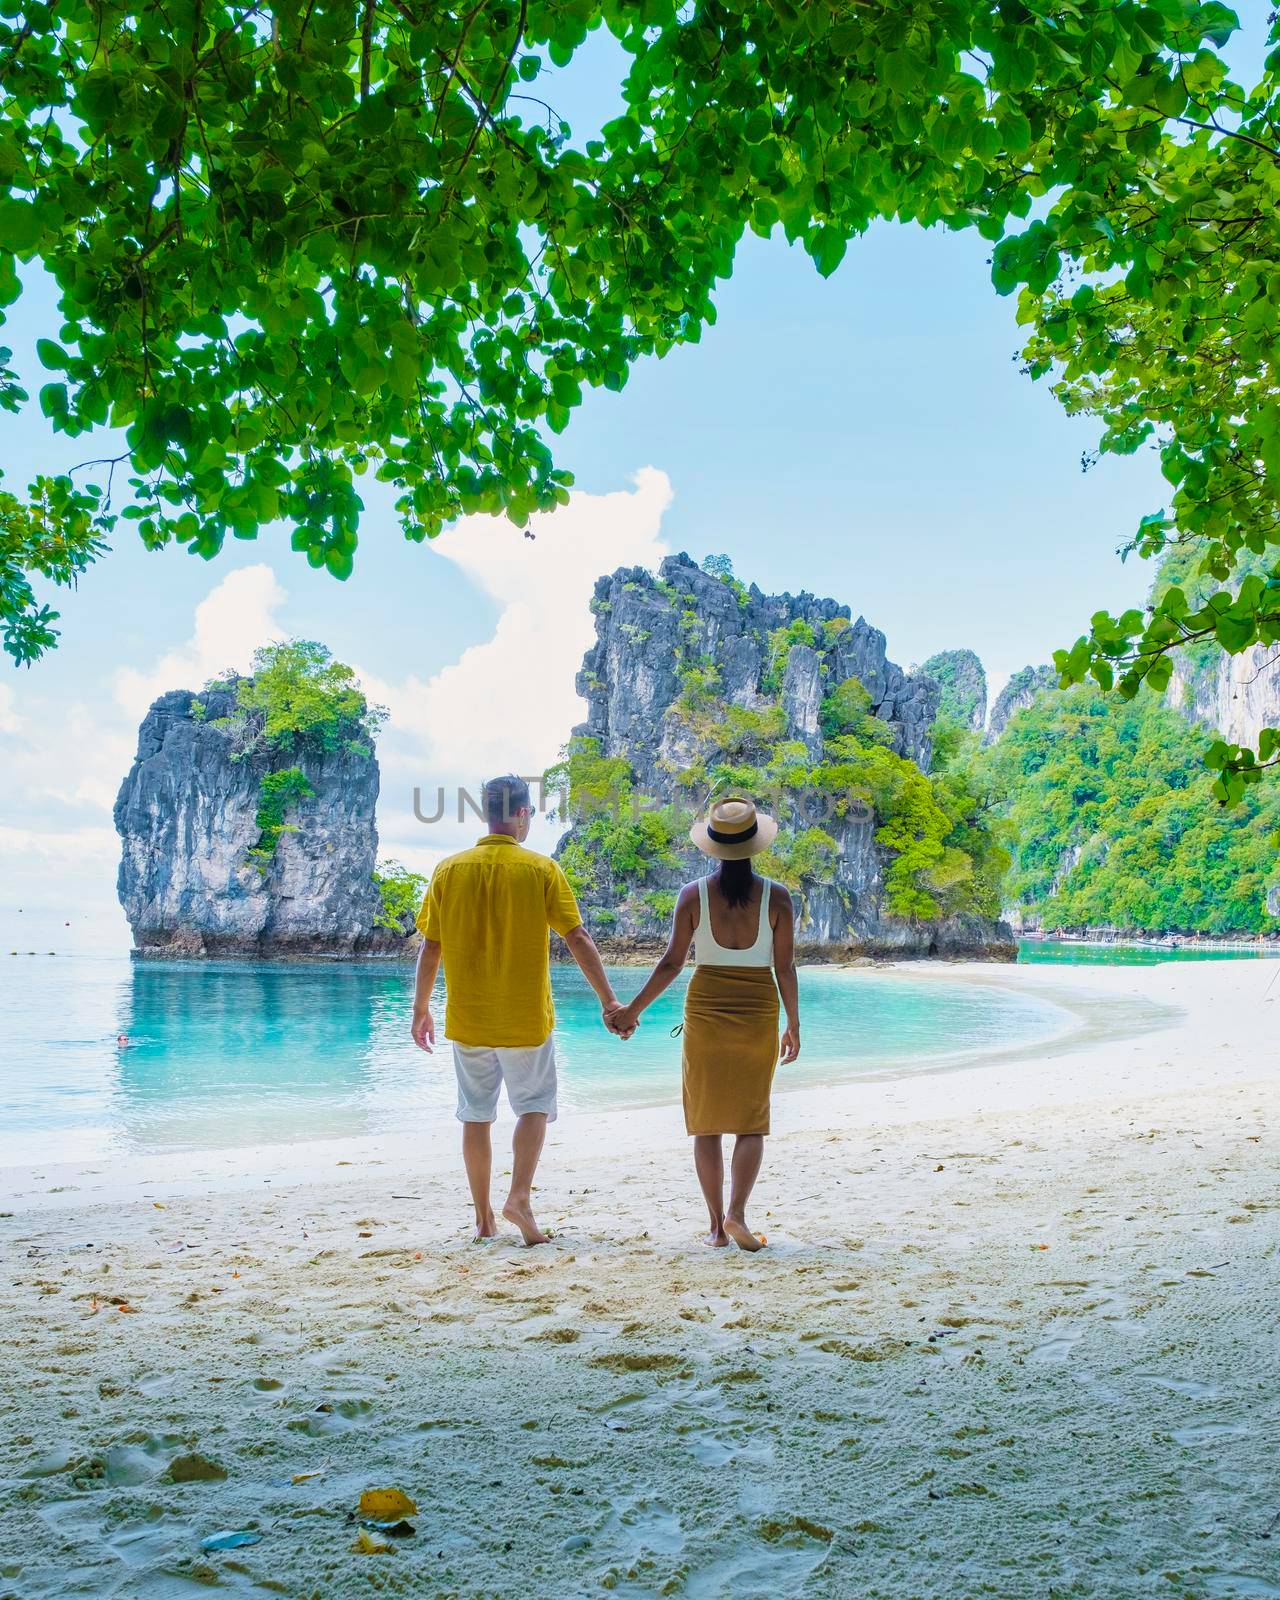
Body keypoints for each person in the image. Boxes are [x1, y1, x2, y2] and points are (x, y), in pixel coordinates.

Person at [410, 774, 625, 1245]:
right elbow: (577, 937)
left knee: (475, 1116)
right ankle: (519, 1198)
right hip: (526, 1019)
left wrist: (420, 1009)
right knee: (534, 1108)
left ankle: (484, 1220)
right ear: (522, 815)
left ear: (486, 813)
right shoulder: (541, 870)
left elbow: (431, 947)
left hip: (469, 1017)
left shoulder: (449, 870)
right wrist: (609, 1001)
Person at [607, 796, 800, 1251]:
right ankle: (737, 1214)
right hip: (757, 1009)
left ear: (712, 846)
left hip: (706, 1009)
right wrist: (793, 1024)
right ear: (754, 846)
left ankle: (716, 1227)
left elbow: (673, 963)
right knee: (752, 1120)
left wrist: (631, 1011)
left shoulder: (693, 895)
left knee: (706, 1123)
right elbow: (785, 968)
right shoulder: (779, 898)